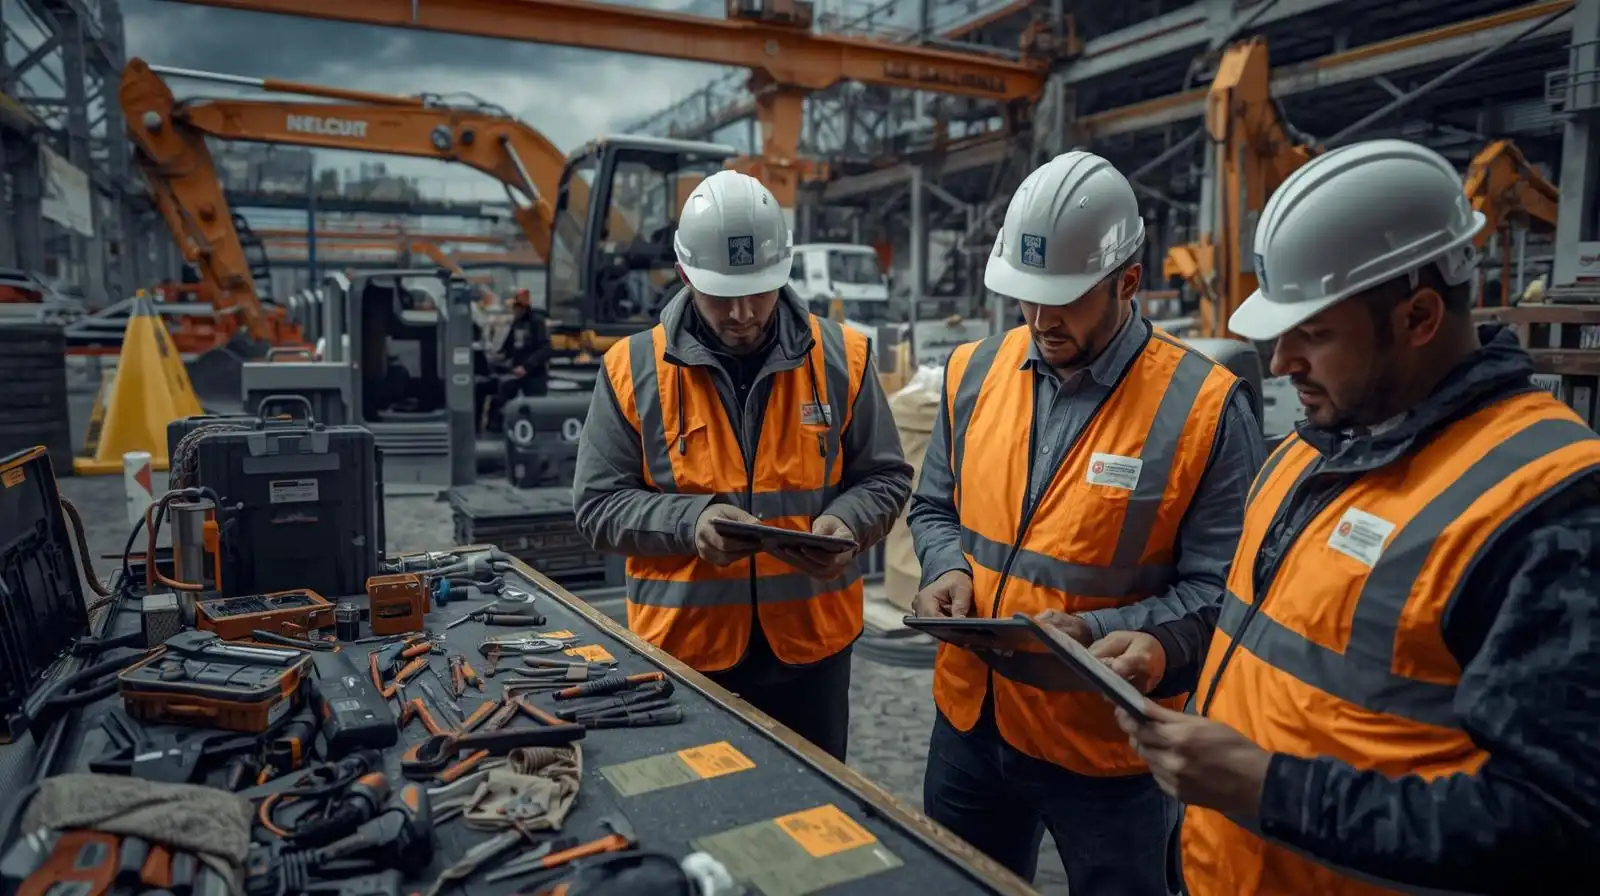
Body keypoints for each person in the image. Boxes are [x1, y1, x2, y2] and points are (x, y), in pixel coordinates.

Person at [1099, 138, 1600, 894]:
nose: (1279, 364)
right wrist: (1168, 649)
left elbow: (1557, 827)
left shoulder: (1547, 507)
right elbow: (1280, 631)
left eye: (1316, 334)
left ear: (1420, 315)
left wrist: (1270, 790)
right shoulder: (1309, 453)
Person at [906, 150, 1264, 894]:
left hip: (1106, 753)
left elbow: (1225, 591)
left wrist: (1100, 633)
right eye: (1025, 298)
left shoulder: (1202, 408)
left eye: (1063, 299)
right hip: (972, 722)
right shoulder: (973, 371)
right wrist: (945, 567)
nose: (1039, 319)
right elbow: (935, 505)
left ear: (1127, 281)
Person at [572, 170, 912, 762]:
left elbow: (885, 477)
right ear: (685, 275)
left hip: (812, 652)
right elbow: (597, 506)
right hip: (684, 655)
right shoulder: (633, 370)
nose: (743, 312)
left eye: (759, 290)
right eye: (722, 293)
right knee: (703, 821)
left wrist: (849, 522)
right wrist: (689, 524)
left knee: (817, 823)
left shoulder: (843, 358)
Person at [497, 288, 552, 401]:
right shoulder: (517, 322)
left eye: (517, 307)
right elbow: (509, 345)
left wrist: (527, 367)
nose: (514, 310)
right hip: (516, 371)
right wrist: (501, 355)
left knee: (535, 403)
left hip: (534, 375)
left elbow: (545, 349)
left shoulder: (536, 322)